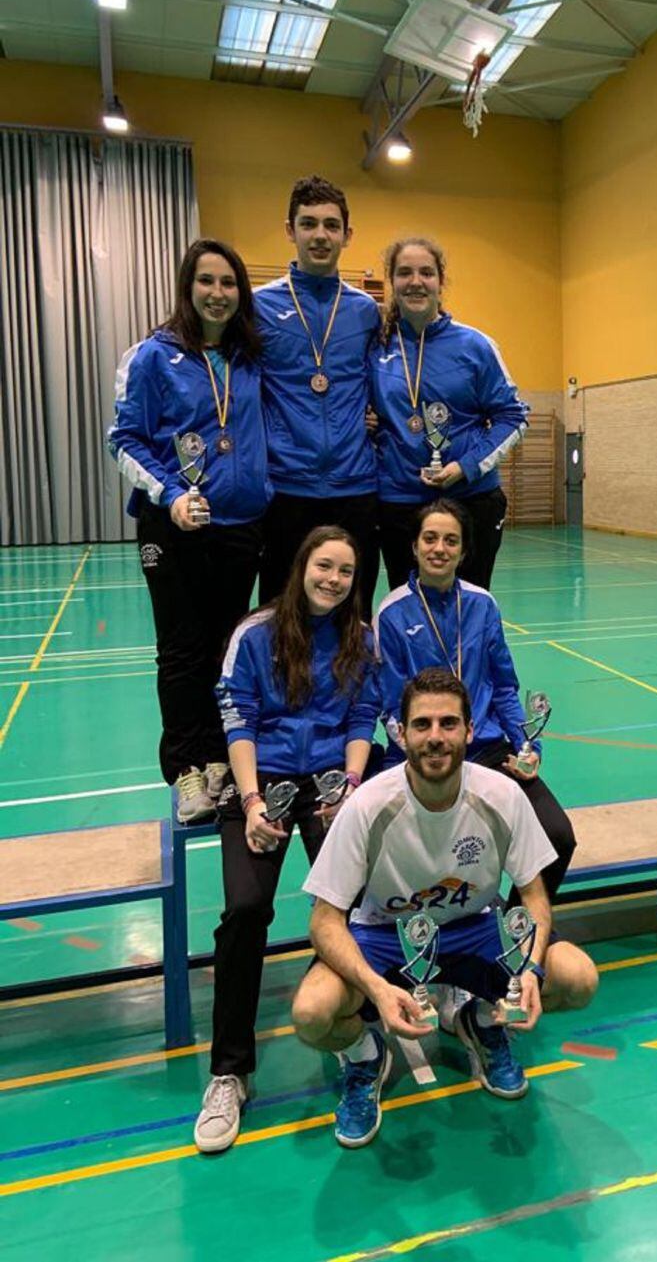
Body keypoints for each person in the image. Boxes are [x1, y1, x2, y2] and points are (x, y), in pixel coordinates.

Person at [292, 668, 598, 1149]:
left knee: (578, 978)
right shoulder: (369, 805)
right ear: (401, 733)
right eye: (423, 725)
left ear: (470, 731)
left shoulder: (501, 795)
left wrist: (532, 971)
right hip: (384, 936)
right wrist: (374, 988)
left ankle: (481, 1021)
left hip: (475, 927)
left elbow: (534, 897)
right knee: (312, 1013)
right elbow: (324, 921)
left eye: (449, 724)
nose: (436, 738)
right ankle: (364, 1054)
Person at [192, 525, 379, 1154]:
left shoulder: (360, 638)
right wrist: (248, 803)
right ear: (302, 566)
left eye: (347, 571)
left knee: (355, 906)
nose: (334, 579)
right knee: (246, 911)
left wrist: (351, 785)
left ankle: (357, 1034)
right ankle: (229, 1073)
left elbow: (360, 717)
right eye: (325, 566)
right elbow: (237, 717)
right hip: (259, 780)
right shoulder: (255, 633)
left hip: (330, 779)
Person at [108, 238, 269, 823]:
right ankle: (186, 771)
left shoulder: (251, 357)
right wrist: (172, 494)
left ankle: (220, 758)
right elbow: (123, 439)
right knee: (181, 648)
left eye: (228, 283)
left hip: (239, 526)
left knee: (228, 647)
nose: (218, 294)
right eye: (206, 281)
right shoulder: (153, 355)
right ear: (188, 287)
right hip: (173, 525)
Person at [354, 499, 575, 899]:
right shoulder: (391, 613)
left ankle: (517, 928)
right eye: (431, 538)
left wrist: (528, 746)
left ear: (463, 551)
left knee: (558, 836)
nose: (440, 548)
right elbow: (390, 706)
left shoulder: (482, 604)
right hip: (422, 752)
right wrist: (417, 746)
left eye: (450, 541)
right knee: (390, 847)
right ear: (415, 546)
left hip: (485, 749)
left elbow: (505, 688)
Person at [369, 236, 528, 593]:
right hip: (399, 502)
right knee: (406, 607)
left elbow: (514, 417)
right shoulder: (375, 347)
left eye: (426, 272)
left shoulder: (475, 346)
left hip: (470, 500)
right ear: (391, 282)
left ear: (441, 282)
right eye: (404, 272)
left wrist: (466, 466)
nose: (415, 281)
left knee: (467, 606)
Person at [255, 176, 382, 616]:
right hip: (287, 486)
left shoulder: (366, 311)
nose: (320, 235)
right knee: (281, 614)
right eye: (308, 224)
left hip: (356, 486)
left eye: (331, 225)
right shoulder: (257, 308)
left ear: (348, 235)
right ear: (290, 230)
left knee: (355, 613)